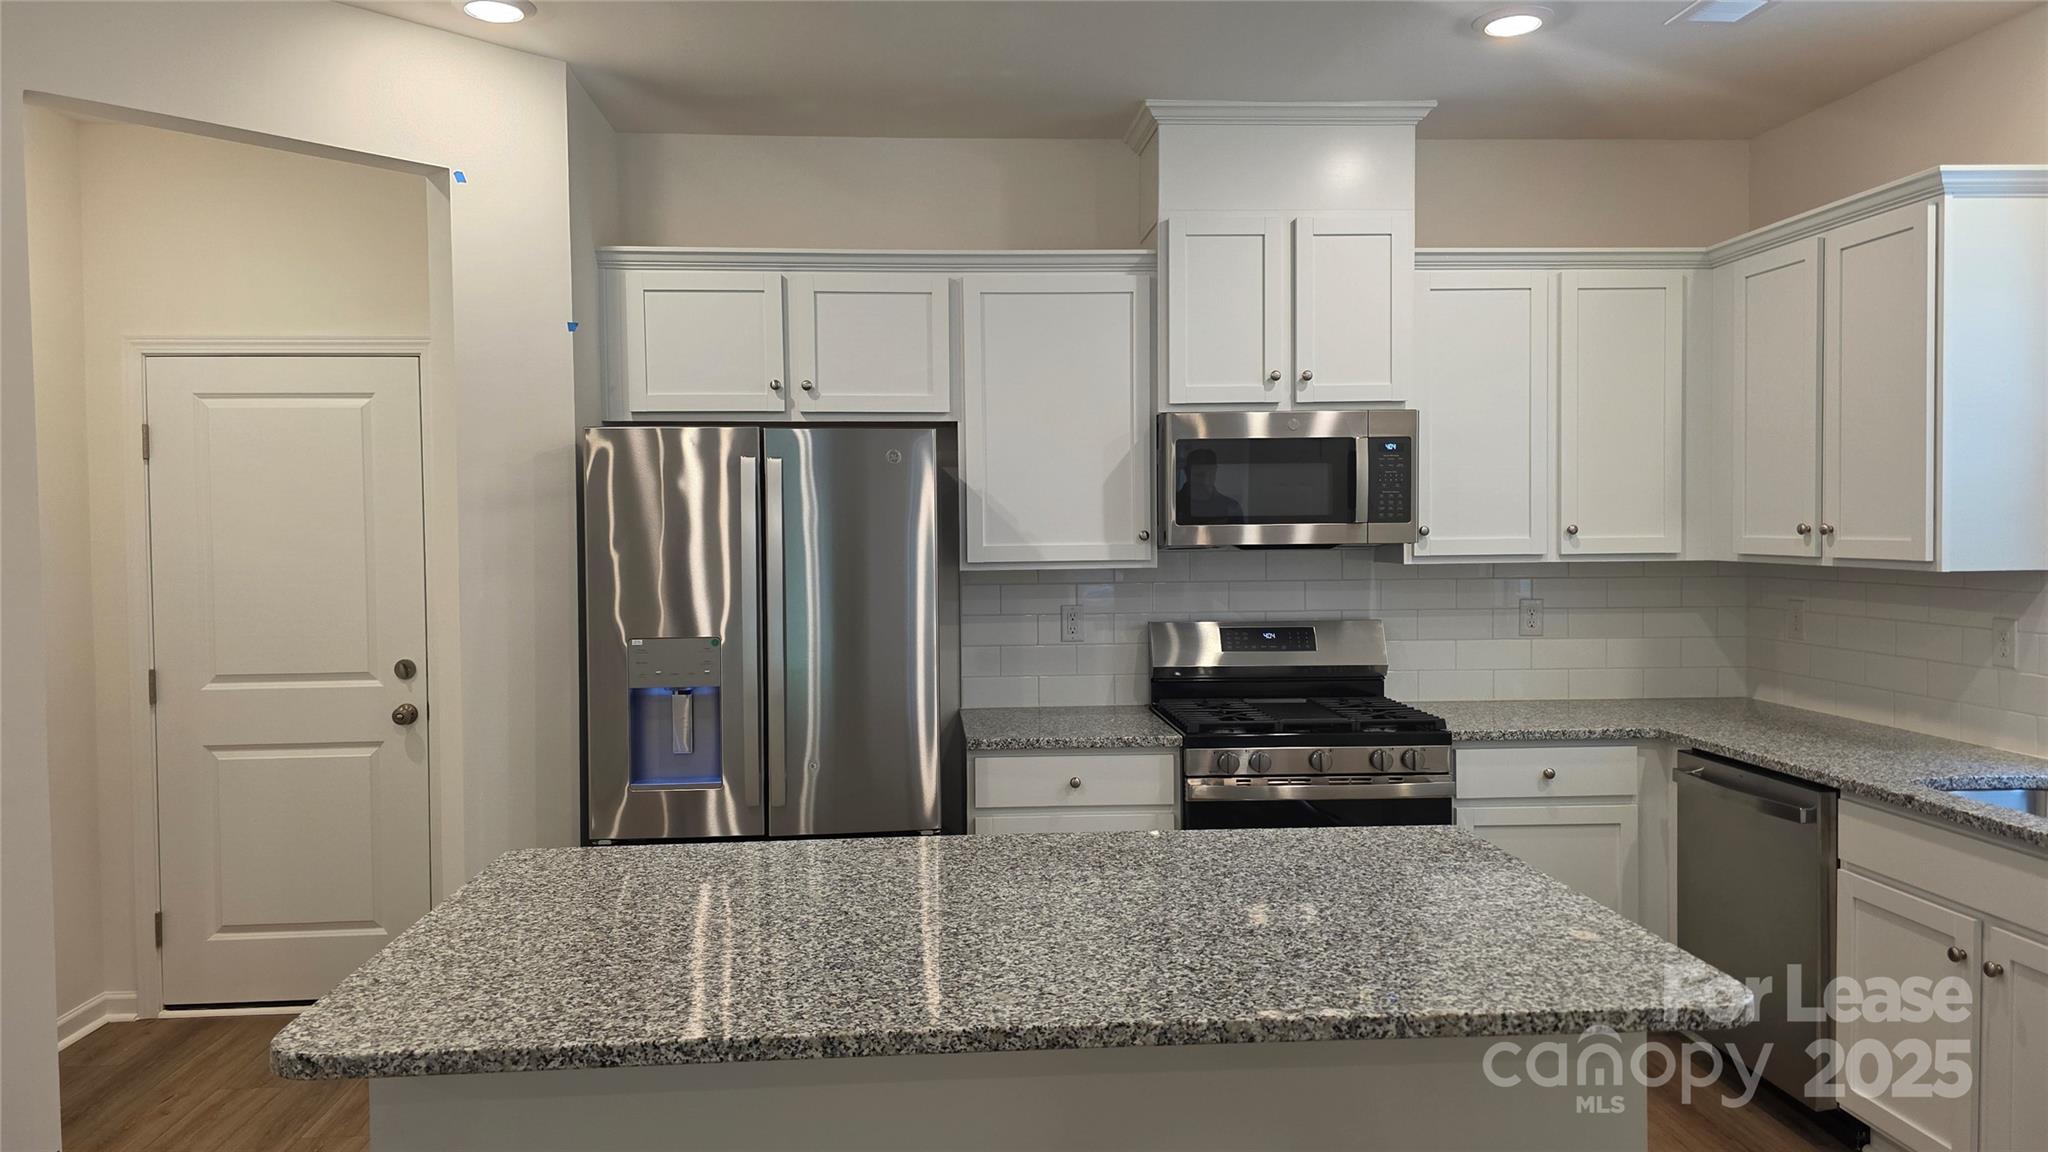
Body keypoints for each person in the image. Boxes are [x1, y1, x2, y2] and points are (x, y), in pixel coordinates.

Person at [1182, 447, 1243, 521]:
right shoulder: (1175, 504)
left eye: (1210, 474)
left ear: (1215, 471)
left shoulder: (1232, 508)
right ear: (1187, 473)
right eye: (1199, 475)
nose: (1205, 481)